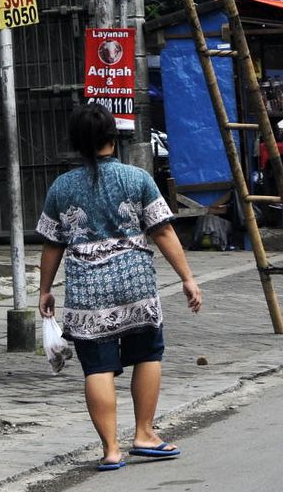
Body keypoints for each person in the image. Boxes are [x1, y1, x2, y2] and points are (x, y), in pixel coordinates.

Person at [36, 103, 203, 472]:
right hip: (135, 285)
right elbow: (162, 230)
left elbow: (52, 244)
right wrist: (187, 278)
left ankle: (111, 449)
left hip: (87, 293)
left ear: (77, 143)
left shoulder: (61, 188)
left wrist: (44, 289)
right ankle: (144, 433)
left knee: (97, 367)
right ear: (114, 137)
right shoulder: (137, 178)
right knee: (147, 355)